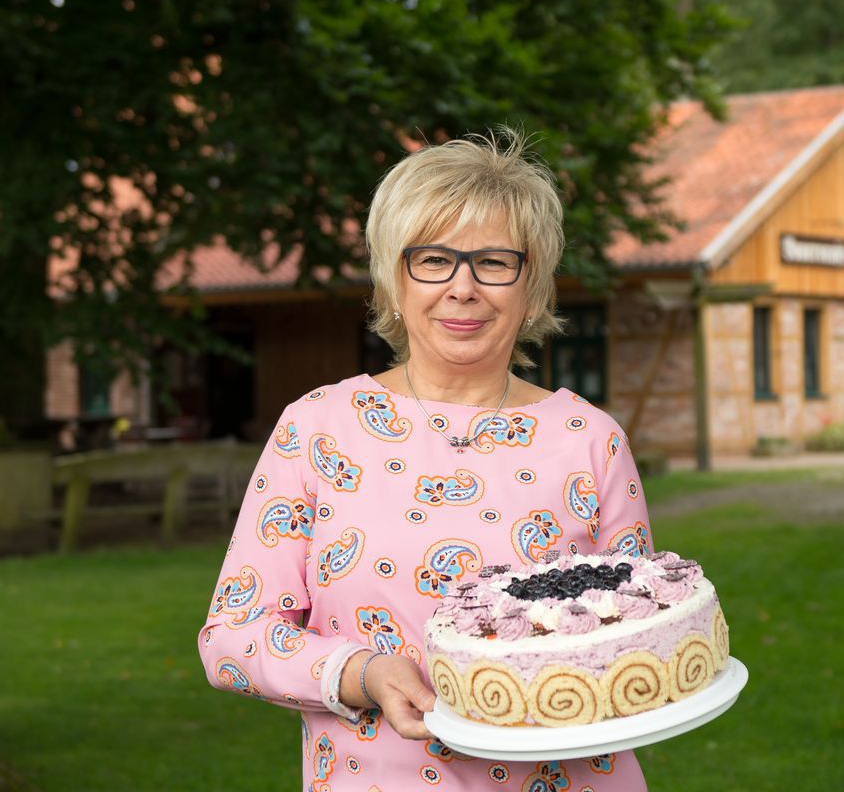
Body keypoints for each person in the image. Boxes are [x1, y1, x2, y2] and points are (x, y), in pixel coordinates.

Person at [198, 130, 653, 790]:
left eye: (495, 263)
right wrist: (364, 673)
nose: (463, 288)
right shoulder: (319, 428)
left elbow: (642, 637)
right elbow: (232, 638)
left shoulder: (591, 438)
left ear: (533, 284)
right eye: (433, 260)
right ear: (394, 276)